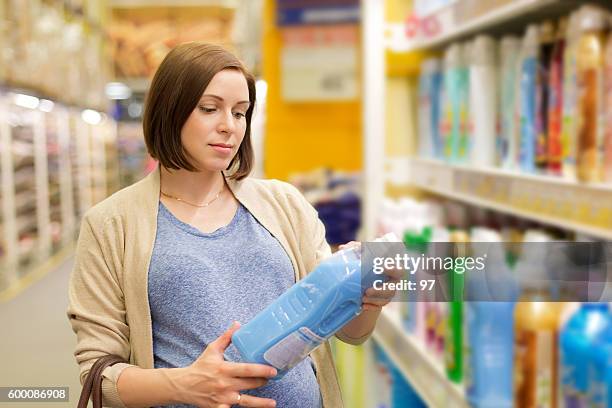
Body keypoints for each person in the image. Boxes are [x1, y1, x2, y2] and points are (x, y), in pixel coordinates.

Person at [67, 42, 398, 408]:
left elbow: (347, 332)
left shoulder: (284, 204)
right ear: (169, 110)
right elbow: (98, 375)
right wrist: (186, 385)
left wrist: (369, 301)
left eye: (240, 113)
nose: (229, 126)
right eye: (210, 109)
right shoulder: (112, 225)